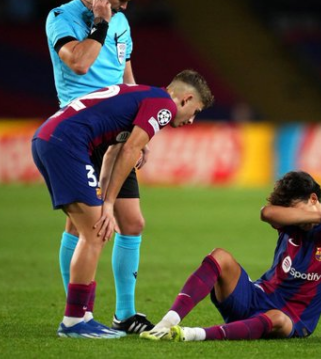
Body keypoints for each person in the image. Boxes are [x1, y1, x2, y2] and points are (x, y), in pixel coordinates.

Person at [31, 71, 215, 338]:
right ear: (185, 99)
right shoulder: (163, 105)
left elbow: (115, 153)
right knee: (95, 231)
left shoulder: (142, 94)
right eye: (195, 111)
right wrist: (107, 205)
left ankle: (83, 316)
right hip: (66, 143)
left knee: (86, 228)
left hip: (49, 138)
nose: (192, 120)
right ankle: (74, 321)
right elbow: (130, 151)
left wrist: (106, 199)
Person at [139, 171, 321, 342]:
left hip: (293, 318)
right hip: (256, 296)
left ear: (313, 199)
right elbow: (266, 213)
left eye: (296, 208)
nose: (296, 216)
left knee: (277, 319)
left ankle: (193, 334)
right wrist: (320, 217)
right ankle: (169, 320)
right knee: (220, 256)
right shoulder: (298, 221)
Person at [45, 0, 153, 333]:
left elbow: (126, 72)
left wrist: (142, 122)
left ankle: (124, 313)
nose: (125, 7)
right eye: (122, 0)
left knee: (132, 222)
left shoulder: (121, 22)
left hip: (118, 136)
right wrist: (101, 23)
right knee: (82, 229)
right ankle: (79, 311)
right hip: (80, 132)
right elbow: (78, 62)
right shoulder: (62, 17)